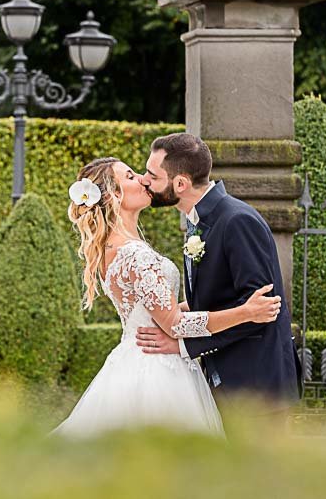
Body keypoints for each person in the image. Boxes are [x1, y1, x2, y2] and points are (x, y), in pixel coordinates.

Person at [53, 157, 281, 437]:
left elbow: (156, 309)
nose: (142, 179)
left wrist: (206, 305)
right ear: (114, 194)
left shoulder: (114, 247)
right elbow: (173, 324)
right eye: (130, 176)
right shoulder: (134, 254)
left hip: (132, 359)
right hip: (157, 369)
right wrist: (245, 312)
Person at [136, 133, 301, 408]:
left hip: (256, 386)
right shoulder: (199, 220)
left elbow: (260, 312)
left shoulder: (237, 221)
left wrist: (184, 345)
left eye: (152, 176)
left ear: (180, 183)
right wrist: (175, 311)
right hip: (223, 379)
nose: (144, 180)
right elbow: (223, 293)